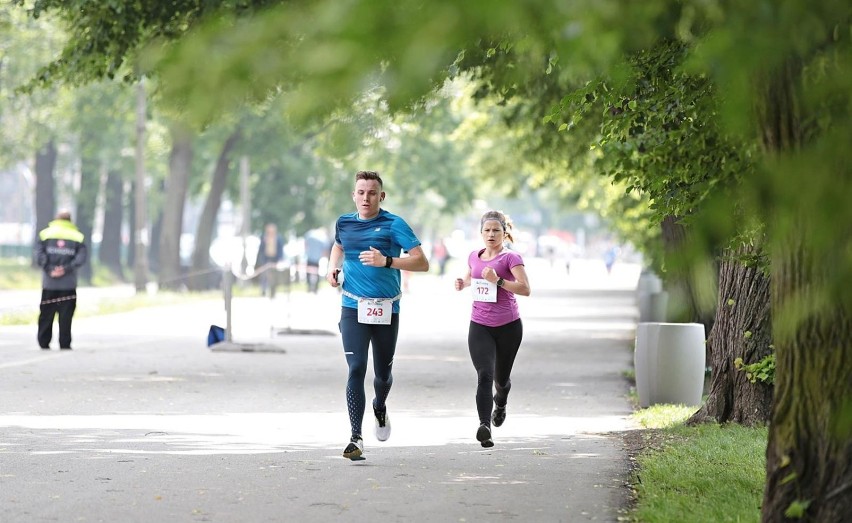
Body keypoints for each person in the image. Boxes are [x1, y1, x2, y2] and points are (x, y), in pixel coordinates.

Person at [326, 170, 430, 460]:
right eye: (361, 192)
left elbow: (422, 262)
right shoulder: (344, 222)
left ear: (381, 196)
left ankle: (380, 406)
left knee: (382, 375)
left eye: (372, 193)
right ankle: (355, 437)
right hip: (352, 306)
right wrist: (331, 269)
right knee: (356, 367)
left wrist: (387, 261)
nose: (366, 198)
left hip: (386, 307)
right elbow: (338, 245)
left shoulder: (394, 224)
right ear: (353, 195)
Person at [454, 210, 531, 448]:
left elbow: (525, 288)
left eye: (496, 230)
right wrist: (462, 283)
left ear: (504, 233)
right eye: (487, 230)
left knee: (501, 379)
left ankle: (502, 401)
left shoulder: (511, 258)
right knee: (484, 374)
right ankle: (484, 425)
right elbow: (472, 278)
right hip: (479, 325)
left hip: (508, 326)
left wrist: (497, 280)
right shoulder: (474, 256)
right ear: (480, 233)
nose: (491, 234)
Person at [35, 210, 88, 350]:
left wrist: (49, 269)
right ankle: (64, 342)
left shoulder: (45, 234)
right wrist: (65, 269)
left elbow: (39, 255)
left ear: (56, 219)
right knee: (66, 315)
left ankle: (43, 342)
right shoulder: (78, 237)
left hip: (49, 284)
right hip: (68, 284)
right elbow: (80, 258)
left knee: (46, 313)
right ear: (70, 220)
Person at [255, 223, 284, 297]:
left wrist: (280, 259)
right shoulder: (264, 238)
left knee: (274, 276)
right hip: (266, 259)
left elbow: (280, 250)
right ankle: (263, 290)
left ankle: (273, 290)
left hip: (274, 259)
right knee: (264, 275)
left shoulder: (278, 238)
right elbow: (261, 250)